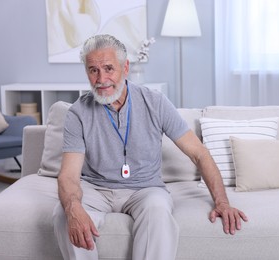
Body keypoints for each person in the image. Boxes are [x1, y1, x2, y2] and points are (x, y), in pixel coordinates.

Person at [53, 34, 248, 260]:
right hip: (96, 189)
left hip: (145, 189)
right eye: (93, 70)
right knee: (63, 214)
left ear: (125, 68)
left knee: (158, 210)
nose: (101, 78)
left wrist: (222, 203)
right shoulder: (78, 112)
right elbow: (68, 176)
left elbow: (199, 154)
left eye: (108, 68)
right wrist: (73, 208)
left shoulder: (155, 102)